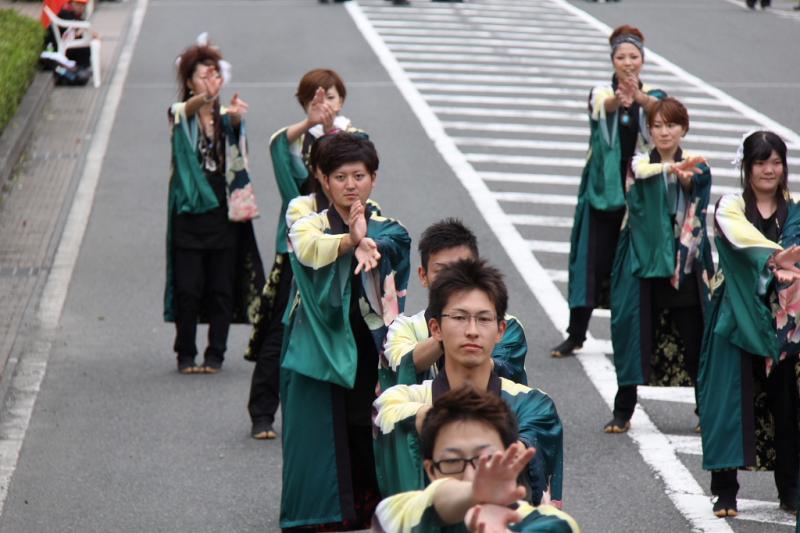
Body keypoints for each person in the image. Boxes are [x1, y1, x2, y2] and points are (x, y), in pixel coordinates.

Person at [279, 133, 411, 530]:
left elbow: (395, 241)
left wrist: (370, 243)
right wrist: (350, 242)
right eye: (340, 176)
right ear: (322, 178)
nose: (350, 185)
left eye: (359, 175)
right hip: (317, 338)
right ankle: (319, 511)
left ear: (373, 178)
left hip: (368, 340)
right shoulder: (307, 218)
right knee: (314, 426)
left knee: (363, 419)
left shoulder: (385, 225)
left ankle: (369, 502)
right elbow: (306, 247)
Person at [374, 259, 563, 508]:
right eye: (460, 317)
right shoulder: (400, 401)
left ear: (500, 330)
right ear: (436, 329)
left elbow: (529, 462)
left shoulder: (533, 405)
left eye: (484, 319)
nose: (472, 330)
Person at [244, 68, 362, 440]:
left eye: (330, 97)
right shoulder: (294, 143)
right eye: (315, 98)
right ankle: (263, 412)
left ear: (342, 100)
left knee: (351, 327)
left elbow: (362, 170)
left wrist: (329, 131)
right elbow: (279, 151)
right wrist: (310, 124)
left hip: (346, 249)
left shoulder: (356, 139)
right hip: (298, 254)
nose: (324, 104)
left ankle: (344, 410)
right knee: (281, 332)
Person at [698, 131, 800, 518]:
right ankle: (725, 492)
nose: (769, 170)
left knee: (785, 404)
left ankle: (790, 489)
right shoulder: (730, 205)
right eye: (761, 163)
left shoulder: (796, 209)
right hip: (735, 313)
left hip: (785, 320)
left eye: (776, 162)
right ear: (746, 166)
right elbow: (741, 242)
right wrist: (779, 260)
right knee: (728, 399)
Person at [553, 25, 666, 358]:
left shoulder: (655, 98)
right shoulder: (600, 92)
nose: (628, 62)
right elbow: (605, 104)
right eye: (621, 56)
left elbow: (662, 112)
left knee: (635, 267)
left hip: (641, 199)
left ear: (643, 60)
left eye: (634, 56)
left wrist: (639, 98)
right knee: (590, 262)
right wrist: (622, 98)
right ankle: (576, 334)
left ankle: (632, 338)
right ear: (612, 60)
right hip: (603, 193)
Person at [605, 97, 714, 433]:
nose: (664, 132)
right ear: (648, 129)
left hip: (685, 263)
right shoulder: (639, 163)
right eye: (657, 125)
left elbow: (698, 190)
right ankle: (623, 411)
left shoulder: (698, 165)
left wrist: (685, 179)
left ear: (684, 128)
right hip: (642, 259)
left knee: (695, 338)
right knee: (633, 334)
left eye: (671, 125)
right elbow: (638, 180)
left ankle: (705, 411)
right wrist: (670, 171)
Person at [163, 40, 264, 374]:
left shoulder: (226, 117)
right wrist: (205, 99)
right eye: (204, 76)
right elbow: (188, 110)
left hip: (225, 213)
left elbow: (240, 160)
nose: (211, 82)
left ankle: (215, 354)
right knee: (188, 287)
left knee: (222, 286)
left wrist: (235, 123)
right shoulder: (179, 112)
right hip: (188, 213)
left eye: (216, 75)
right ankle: (186, 354)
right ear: (189, 81)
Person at [371, 388, 579, 533]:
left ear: (509, 456)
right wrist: (475, 494)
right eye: (452, 461)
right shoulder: (395, 512)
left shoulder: (553, 523)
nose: (472, 475)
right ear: (431, 470)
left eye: (485, 459)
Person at [383, 218, 528, 387]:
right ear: (423, 276)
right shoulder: (404, 327)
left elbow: (507, 370)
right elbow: (403, 366)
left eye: (461, 268)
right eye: (442, 271)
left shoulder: (505, 325)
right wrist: (448, 334)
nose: (452, 279)